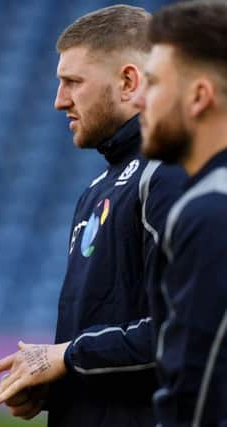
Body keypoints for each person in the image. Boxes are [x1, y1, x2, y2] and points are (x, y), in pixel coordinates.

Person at [0, 5, 186, 427]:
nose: (59, 101)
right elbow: (112, 341)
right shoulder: (96, 192)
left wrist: (68, 356)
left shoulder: (170, 175)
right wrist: (60, 384)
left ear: (128, 82)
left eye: (72, 82)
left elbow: (183, 331)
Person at [135, 2, 227, 425]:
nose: (140, 101)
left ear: (199, 97)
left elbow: (195, 392)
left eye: (152, 83)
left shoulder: (209, 211)